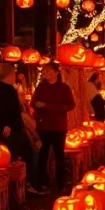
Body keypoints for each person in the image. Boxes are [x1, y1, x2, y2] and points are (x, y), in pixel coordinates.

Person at [0, 66, 42, 195]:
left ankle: (14, 189)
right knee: (30, 154)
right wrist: (7, 124)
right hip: (13, 129)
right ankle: (31, 184)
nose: (14, 77)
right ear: (8, 75)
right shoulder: (8, 90)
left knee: (11, 158)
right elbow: (12, 111)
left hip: (0, 129)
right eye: (13, 74)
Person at [32, 63, 76, 192]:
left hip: (58, 127)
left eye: (48, 71)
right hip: (43, 126)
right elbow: (33, 102)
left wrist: (49, 106)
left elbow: (70, 105)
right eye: (45, 71)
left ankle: (60, 183)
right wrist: (36, 105)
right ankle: (42, 182)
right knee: (42, 155)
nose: (46, 73)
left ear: (56, 72)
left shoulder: (64, 88)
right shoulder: (41, 87)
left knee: (59, 156)